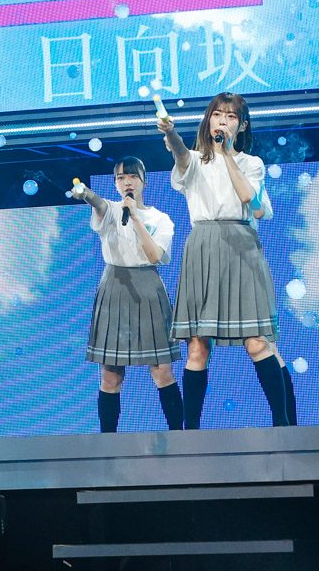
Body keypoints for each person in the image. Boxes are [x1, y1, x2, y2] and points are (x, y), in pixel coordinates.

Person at [159, 92, 289, 427]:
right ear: (208, 121)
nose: (223, 121)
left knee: (257, 341)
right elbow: (179, 152)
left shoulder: (251, 163)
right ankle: (191, 434)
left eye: (231, 117)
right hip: (203, 247)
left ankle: (284, 427)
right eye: (217, 114)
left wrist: (228, 153)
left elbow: (251, 201)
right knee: (197, 346)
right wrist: (171, 132)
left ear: (241, 125)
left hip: (241, 247)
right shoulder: (193, 161)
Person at [70, 158, 184, 431]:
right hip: (114, 288)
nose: (127, 182)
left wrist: (135, 217)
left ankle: (179, 438)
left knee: (162, 372)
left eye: (132, 176)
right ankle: (108, 442)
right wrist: (85, 193)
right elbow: (97, 203)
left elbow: (155, 255)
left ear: (143, 181)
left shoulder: (160, 219)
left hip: (149, 289)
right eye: (121, 178)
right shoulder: (110, 210)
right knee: (110, 375)